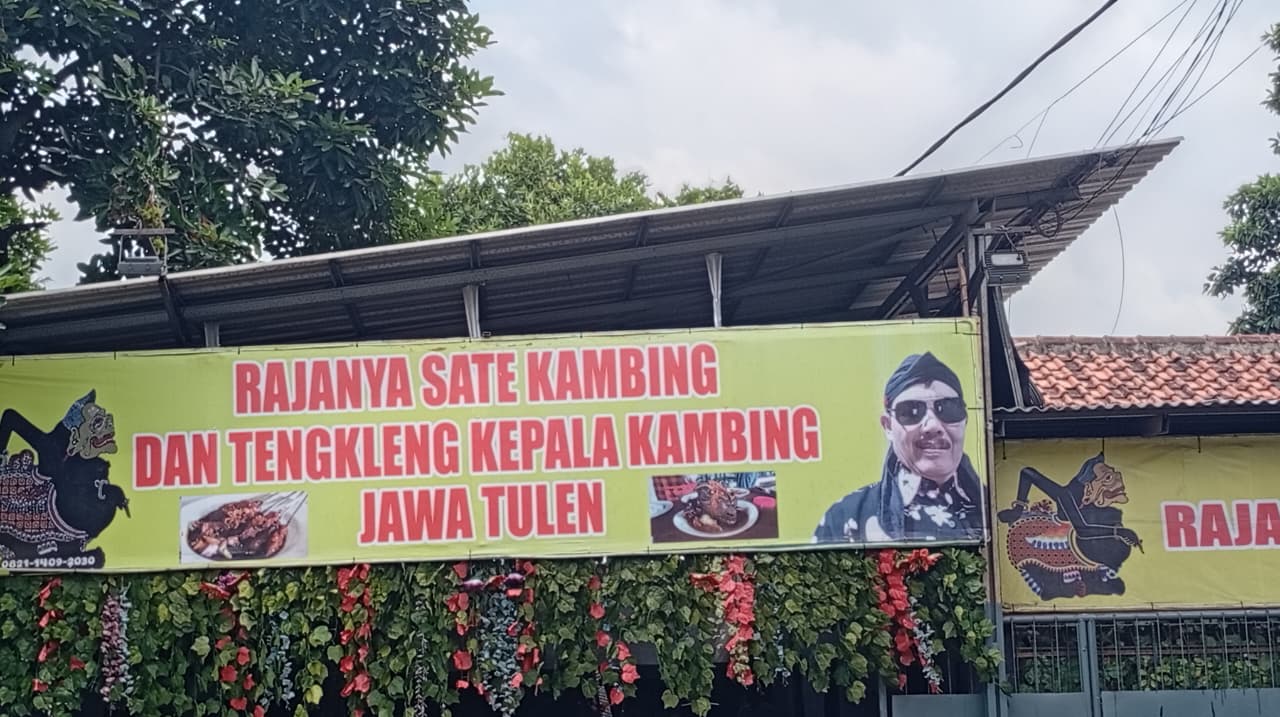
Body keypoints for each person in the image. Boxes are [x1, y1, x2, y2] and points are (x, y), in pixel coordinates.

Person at [813, 352, 984, 544]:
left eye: (948, 408)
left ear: (965, 420)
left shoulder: (995, 506)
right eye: (911, 412)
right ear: (888, 426)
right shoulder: (847, 517)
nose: (932, 426)